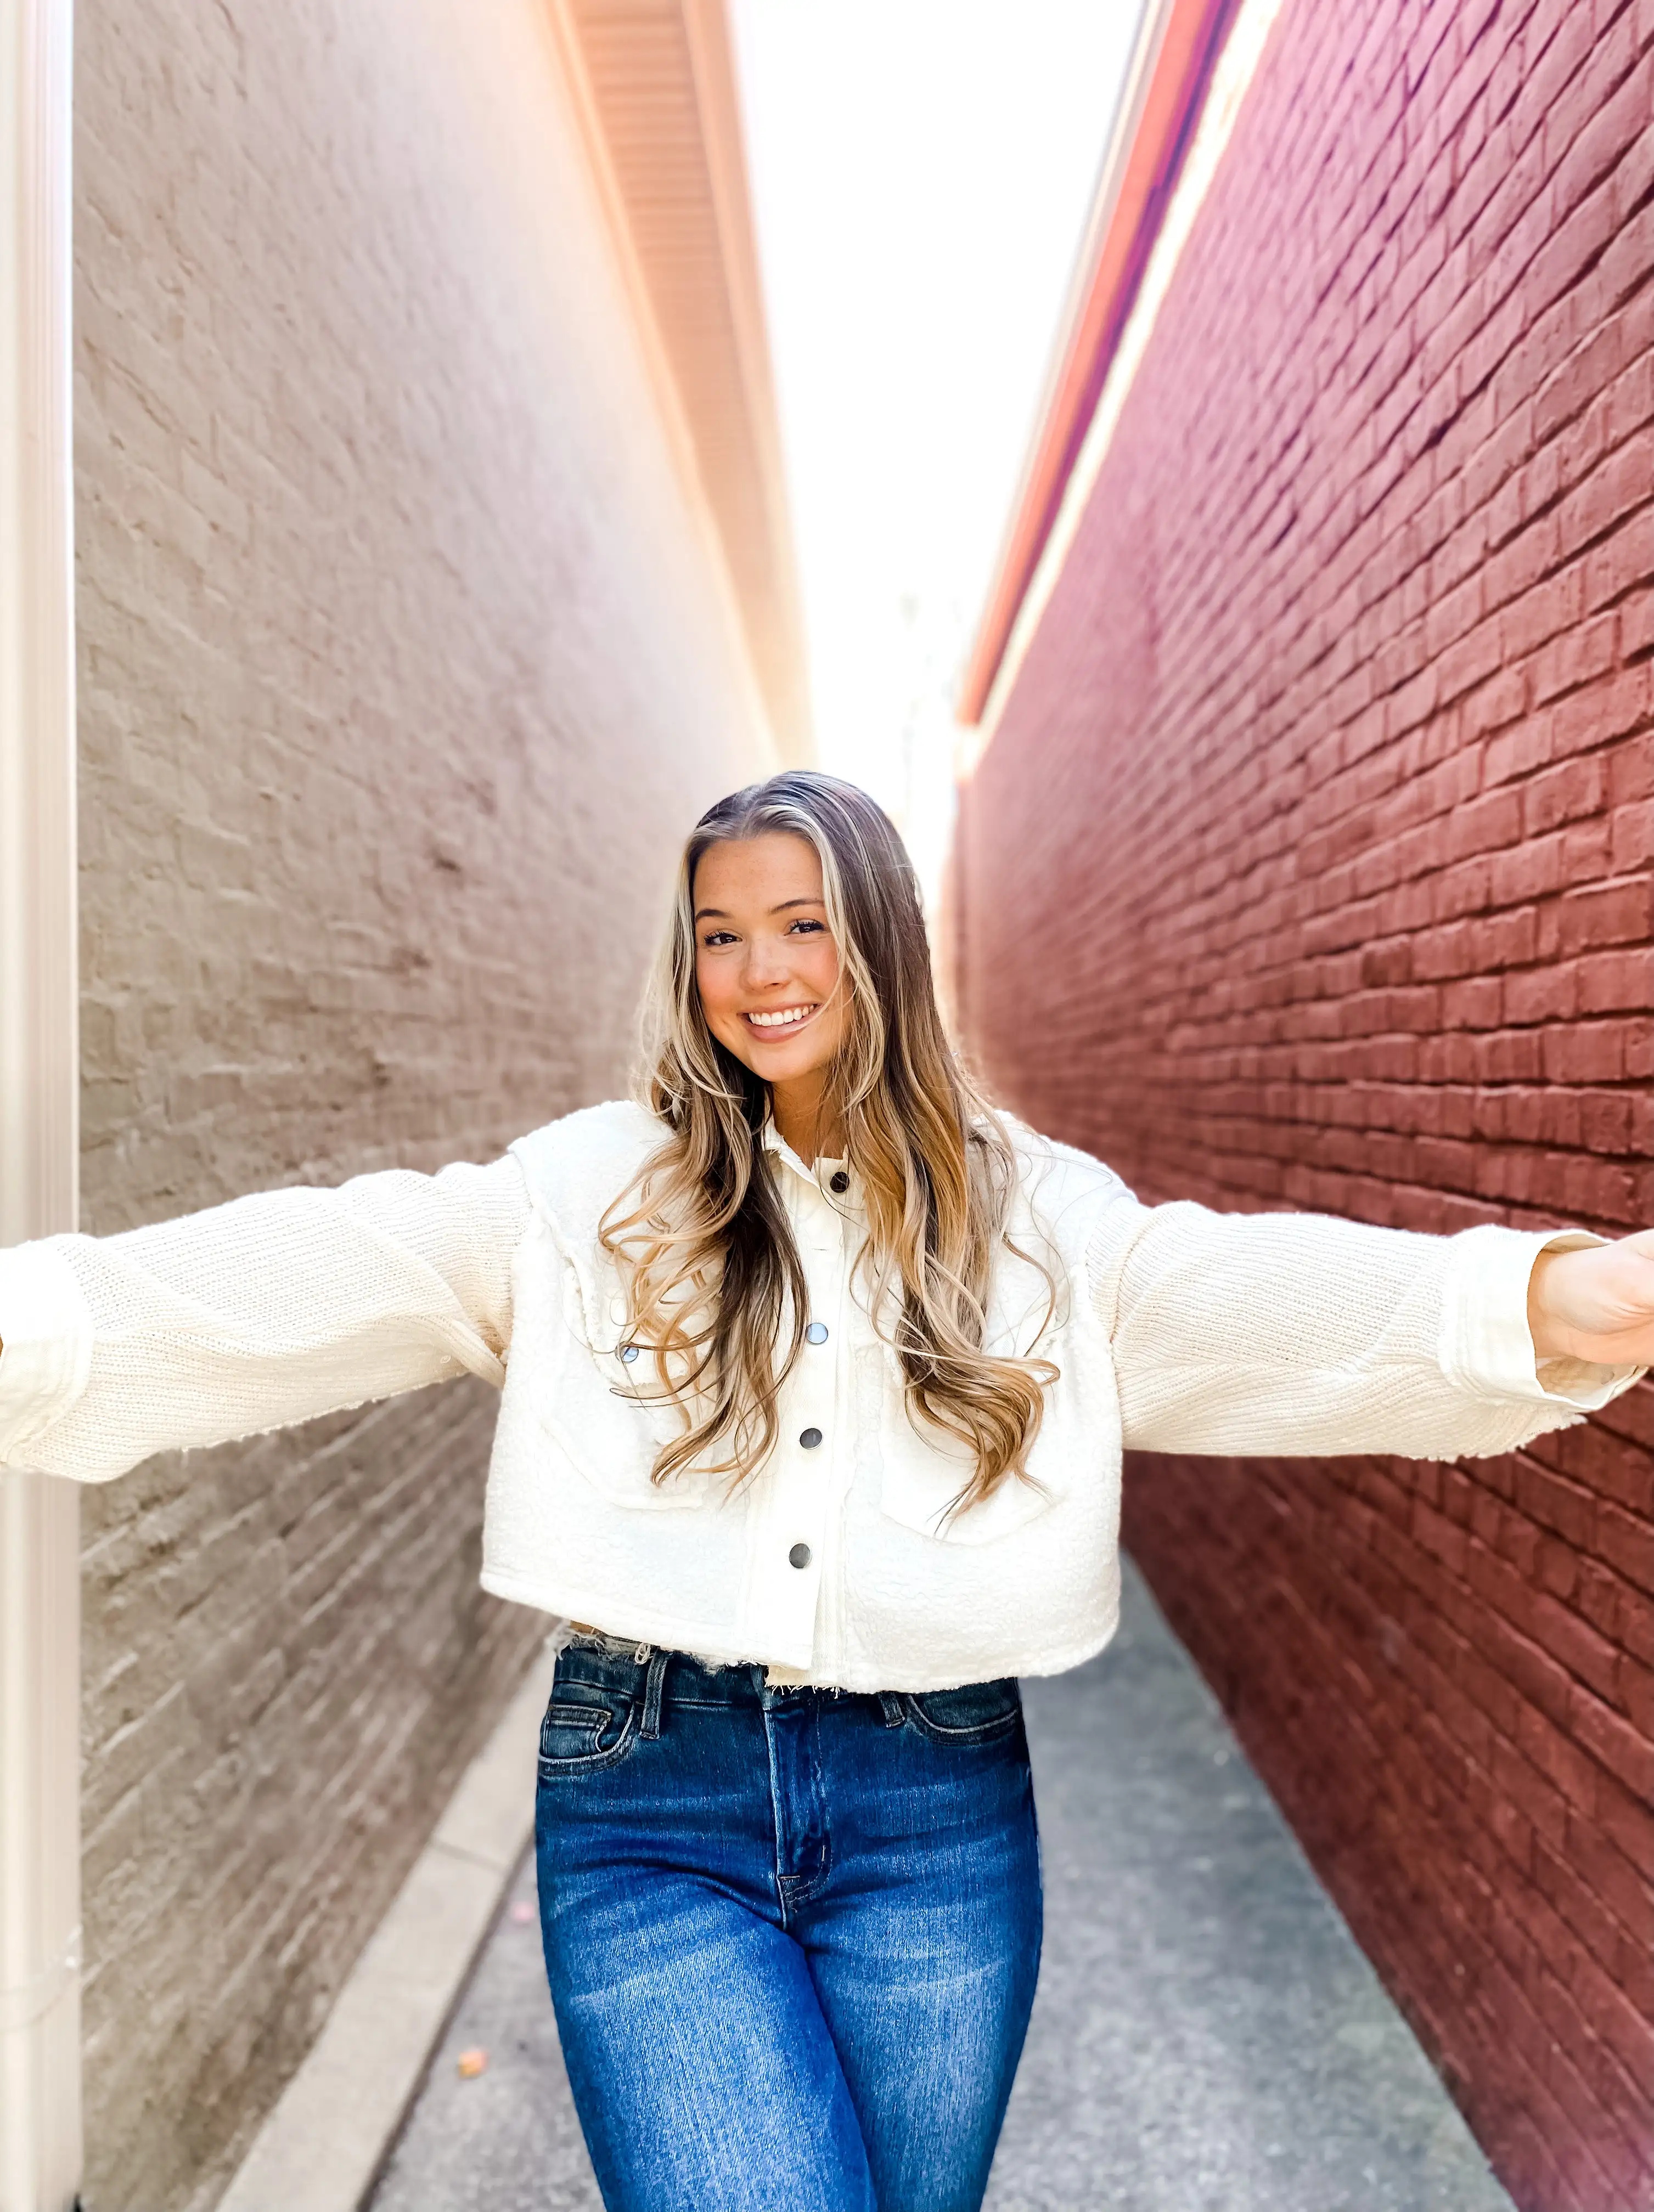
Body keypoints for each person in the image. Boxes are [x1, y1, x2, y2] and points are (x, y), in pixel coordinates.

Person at [1, 769, 1650, 2211]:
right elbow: (323, 1268)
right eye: (718, 934)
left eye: (798, 924)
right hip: (648, 1802)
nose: (757, 971)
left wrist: (1563, 1301)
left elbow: (1253, 1299)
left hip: (935, 1813)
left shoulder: (1032, 1216)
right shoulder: (589, 1197)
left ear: (878, 941)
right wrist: (39, 1327)